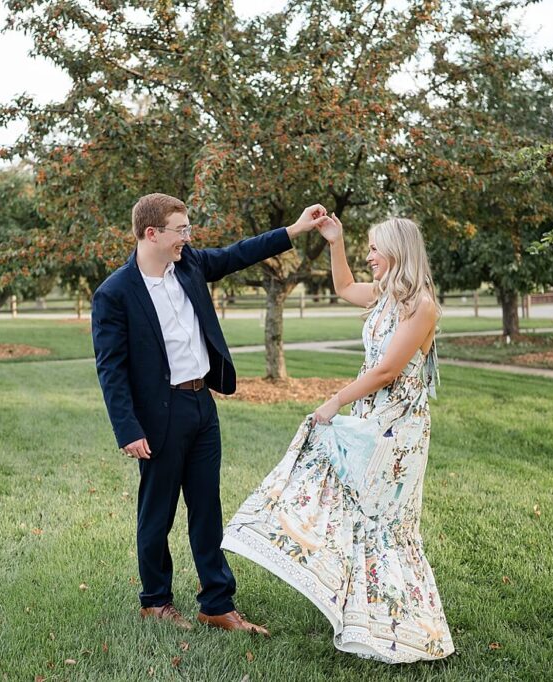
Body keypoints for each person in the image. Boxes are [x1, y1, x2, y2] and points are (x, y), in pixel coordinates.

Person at [91, 193, 330, 634]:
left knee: (207, 508)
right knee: (157, 513)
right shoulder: (115, 294)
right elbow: (111, 369)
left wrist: (294, 229)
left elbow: (239, 253)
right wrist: (127, 428)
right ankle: (155, 601)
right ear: (152, 234)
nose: (188, 237)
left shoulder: (190, 265)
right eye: (180, 230)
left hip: (202, 405)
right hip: (159, 414)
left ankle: (216, 604)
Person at [222, 214, 455, 662]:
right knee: (361, 513)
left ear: (397, 251)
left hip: (398, 428)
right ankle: (371, 624)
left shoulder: (420, 304)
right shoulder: (387, 295)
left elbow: (387, 370)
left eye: (373, 249)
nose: (368, 257)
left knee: (387, 523)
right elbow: (346, 288)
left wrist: (332, 402)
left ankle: (413, 634)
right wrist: (336, 242)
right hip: (372, 419)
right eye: (365, 248)